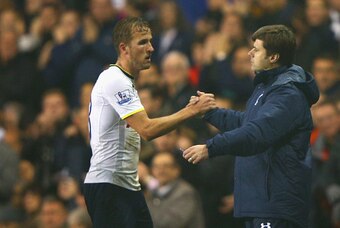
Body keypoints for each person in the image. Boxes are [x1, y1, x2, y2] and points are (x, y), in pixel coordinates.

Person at [83, 16, 216, 228]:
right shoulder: (115, 80)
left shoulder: (124, 80)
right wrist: (191, 111)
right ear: (124, 48)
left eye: (151, 41)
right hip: (109, 184)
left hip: (127, 184)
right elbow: (146, 129)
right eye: (143, 42)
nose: (151, 48)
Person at [183, 24, 320, 228]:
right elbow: (246, 123)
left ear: (273, 57)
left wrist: (211, 147)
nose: (250, 53)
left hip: (275, 204)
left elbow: (257, 134)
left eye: (256, 49)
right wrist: (210, 113)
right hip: (262, 202)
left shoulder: (287, 94)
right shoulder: (267, 87)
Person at [138, 152, 205, 228]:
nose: (161, 171)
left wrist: (147, 180)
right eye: (157, 167)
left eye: (166, 166)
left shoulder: (185, 193)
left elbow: (168, 224)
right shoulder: (151, 192)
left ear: (176, 170)